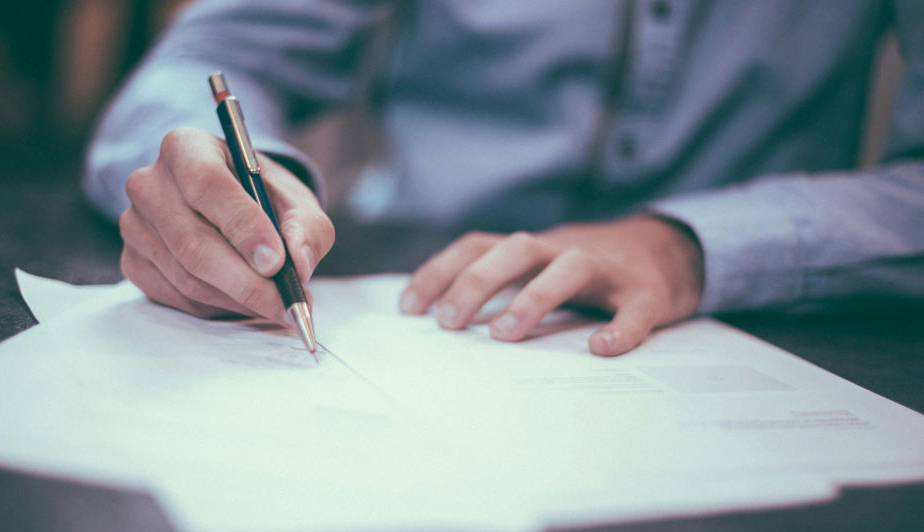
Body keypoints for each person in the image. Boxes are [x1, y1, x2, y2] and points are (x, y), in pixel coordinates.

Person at [84, 0, 924, 356]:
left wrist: (692, 246)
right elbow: (201, 65)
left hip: (768, 324)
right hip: (413, 295)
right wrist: (222, 186)